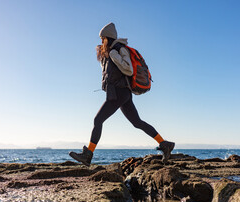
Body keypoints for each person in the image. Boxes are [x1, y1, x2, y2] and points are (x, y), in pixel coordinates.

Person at [69, 22, 175, 166]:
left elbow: (129, 70)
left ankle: (88, 155)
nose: (101, 41)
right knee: (137, 122)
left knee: (98, 120)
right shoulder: (110, 51)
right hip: (120, 93)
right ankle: (164, 144)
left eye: (103, 39)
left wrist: (113, 55)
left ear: (108, 38)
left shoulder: (119, 49)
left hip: (119, 93)